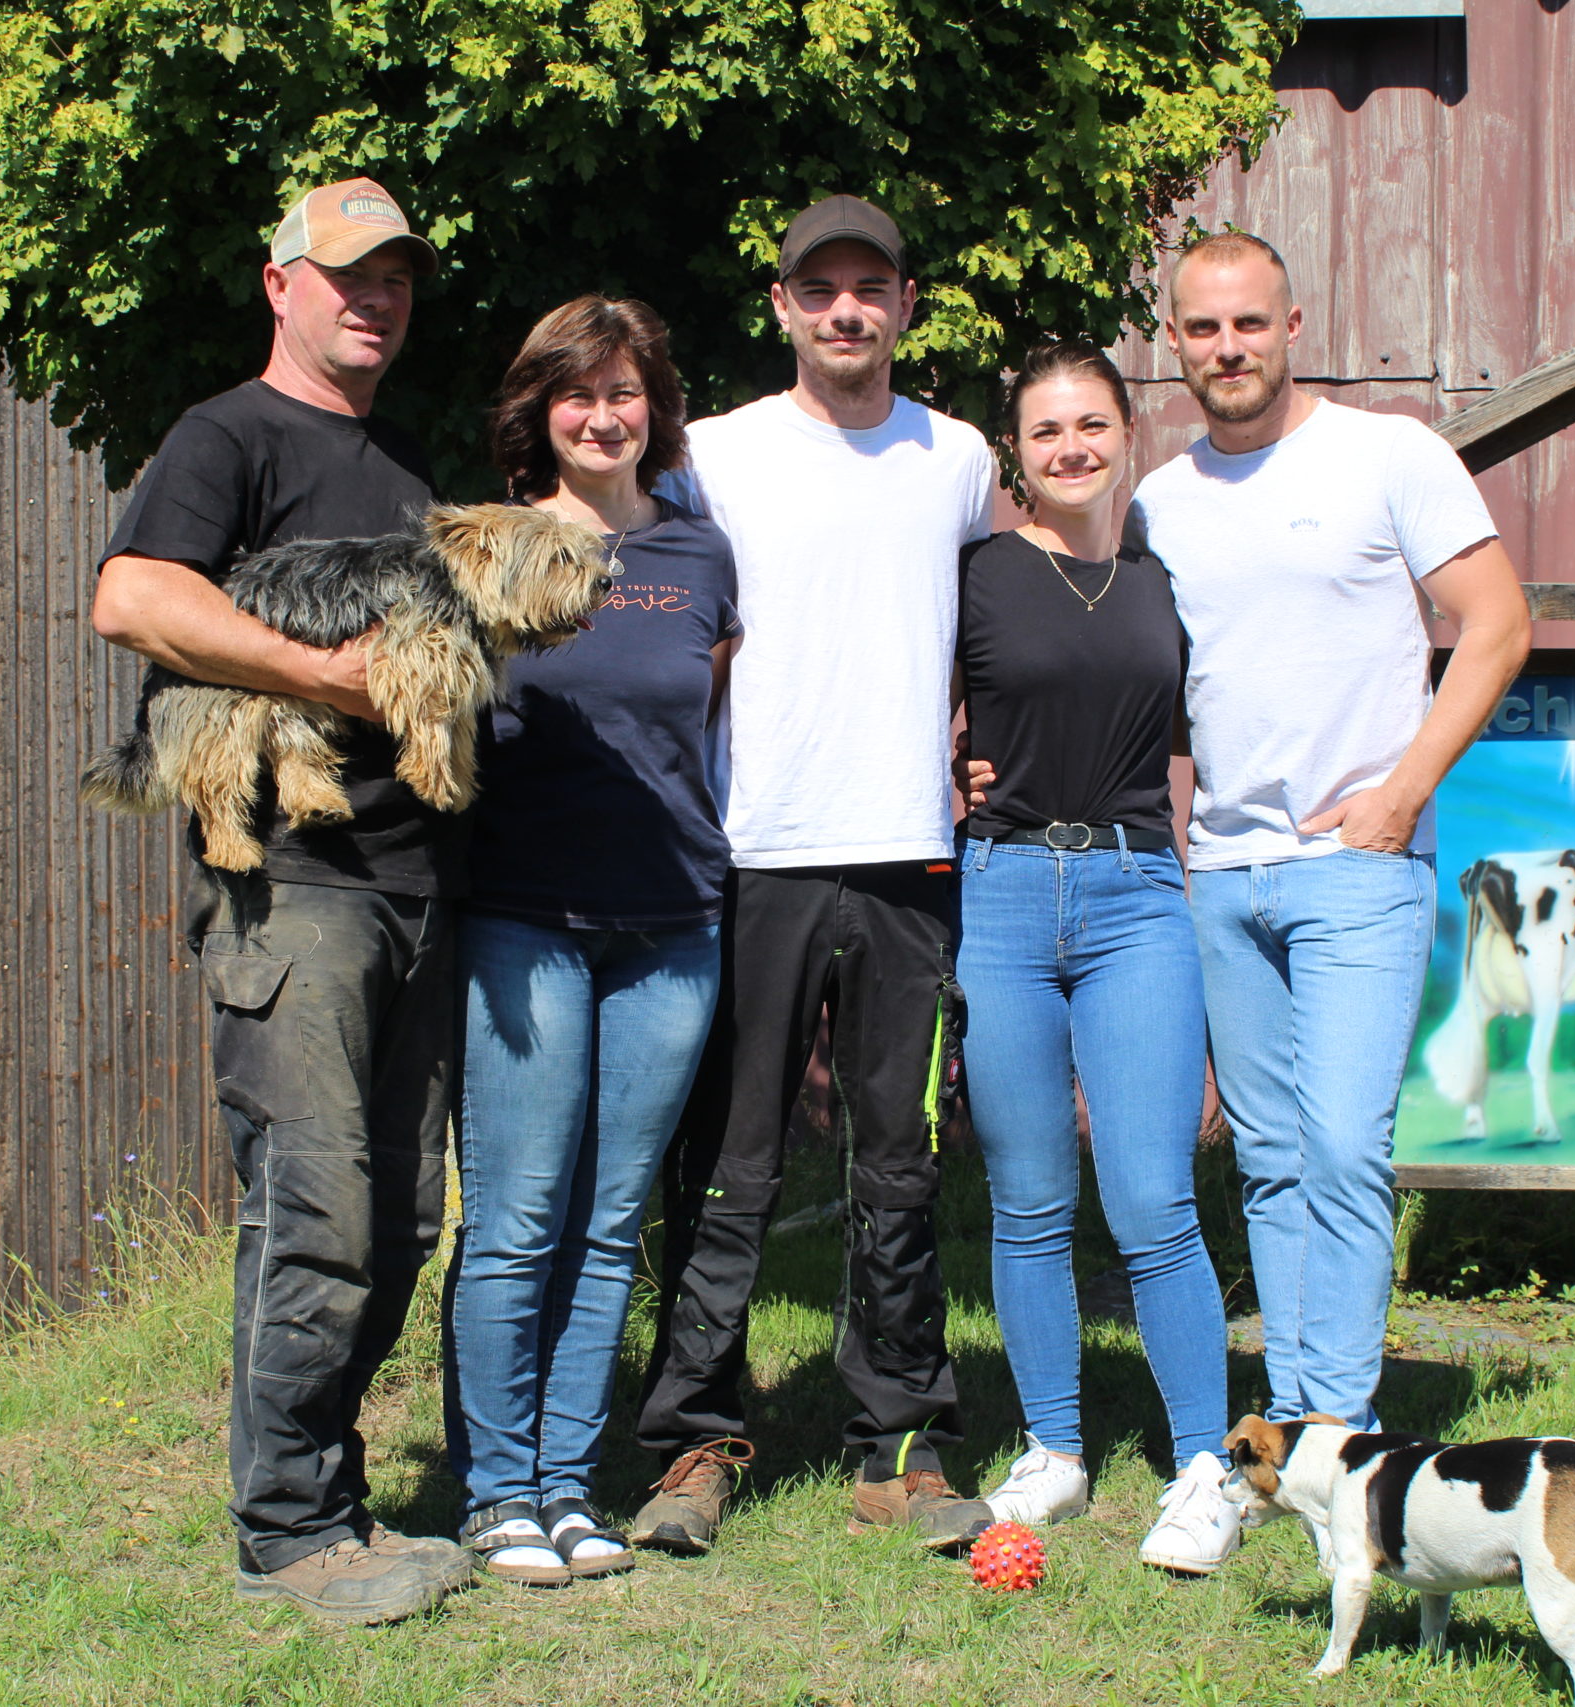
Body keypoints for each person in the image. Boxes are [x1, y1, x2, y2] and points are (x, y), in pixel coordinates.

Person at [88, 178, 475, 1626]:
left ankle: (332, 1493)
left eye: (396, 281)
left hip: (421, 888)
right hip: (293, 890)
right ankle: (289, 1529)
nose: (375, 299)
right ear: (282, 286)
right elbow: (131, 595)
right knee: (313, 1208)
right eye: (349, 276)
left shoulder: (405, 461)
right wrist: (319, 675)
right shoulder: (228, 435)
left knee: (400, 1221)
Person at [627, 195, 999, 1558]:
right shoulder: (712, 454)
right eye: (820, 288)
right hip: (753, 853)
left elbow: (990, 635)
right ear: (780, 306)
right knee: (730, 1165)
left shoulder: (958, 458)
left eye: (873, 287)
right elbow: (656, 618)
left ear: (906, 305)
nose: (848, 310)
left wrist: (978, 748)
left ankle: (898, 1443)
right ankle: (694, 1444)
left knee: (900, 1161)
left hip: (909, 859)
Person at [1129, 232, 1530, 1435]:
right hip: (1226, 872)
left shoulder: (1386, 454)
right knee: (1267, 1159)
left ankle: (1338, 1423)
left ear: (1293, 326)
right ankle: (1299, 1417)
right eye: (1201, 329)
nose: (1227, 348)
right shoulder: (1160, 502)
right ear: (1175, 346)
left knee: (1346, 1147)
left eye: (1247, 323)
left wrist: (1402, 794)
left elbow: (1499, 624)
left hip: (1357, 866)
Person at [441, 297, 741, 1587]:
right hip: (524, 917)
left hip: (674, 920)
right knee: (516, 1216)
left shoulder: (703, 555)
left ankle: (567, 1484)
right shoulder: (484, 548)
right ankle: (494, 1490)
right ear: (540, 412)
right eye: (578, 394)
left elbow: (707, 722)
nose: (603, 416)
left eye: (625, 392)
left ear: (654, 406)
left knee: (612, 1218)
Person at [952, 341, 1237, 1573]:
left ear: (1128, 434)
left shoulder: (1168, 579)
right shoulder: (973, 575)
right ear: (1015, 453)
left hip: (1134, 894)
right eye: (1044, 430)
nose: (1069, 447)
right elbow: (898, 696)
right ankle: (1056, 1448)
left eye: (1090, 425)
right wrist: (939, 773)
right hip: (1002, 893)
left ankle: (1206, 1465)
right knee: (1025, 1201)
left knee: (1152, 1200)